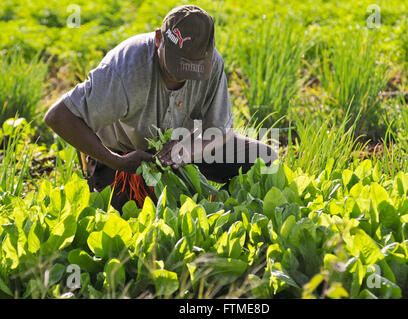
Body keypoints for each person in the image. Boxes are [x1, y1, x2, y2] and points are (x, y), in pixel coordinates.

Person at [44, 5, 277, 211]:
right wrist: (115, 160)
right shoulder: (125, 69)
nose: (179, 78)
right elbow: (58, 116)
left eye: (191, 70)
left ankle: (223, 210)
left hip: (182, 150)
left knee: (265, 160)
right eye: (175, 66)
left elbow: (221, 129)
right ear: (158, 39)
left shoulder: (211, 62)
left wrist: (189, 150)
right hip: (127, 161)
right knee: (133, 221)